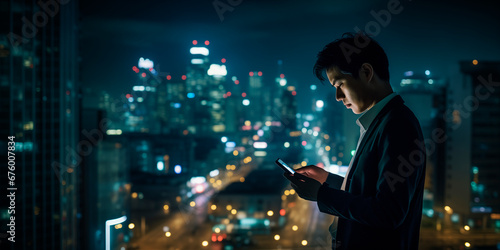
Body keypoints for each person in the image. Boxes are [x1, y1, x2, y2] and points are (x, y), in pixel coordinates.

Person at [283, 32, 426, 250]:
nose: (338, 96)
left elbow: (388, 212)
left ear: (366, 72)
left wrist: (322, 195)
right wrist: (327, 180)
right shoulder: (379, 122)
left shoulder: (397, 125)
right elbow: (370, 192)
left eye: (340, 84)